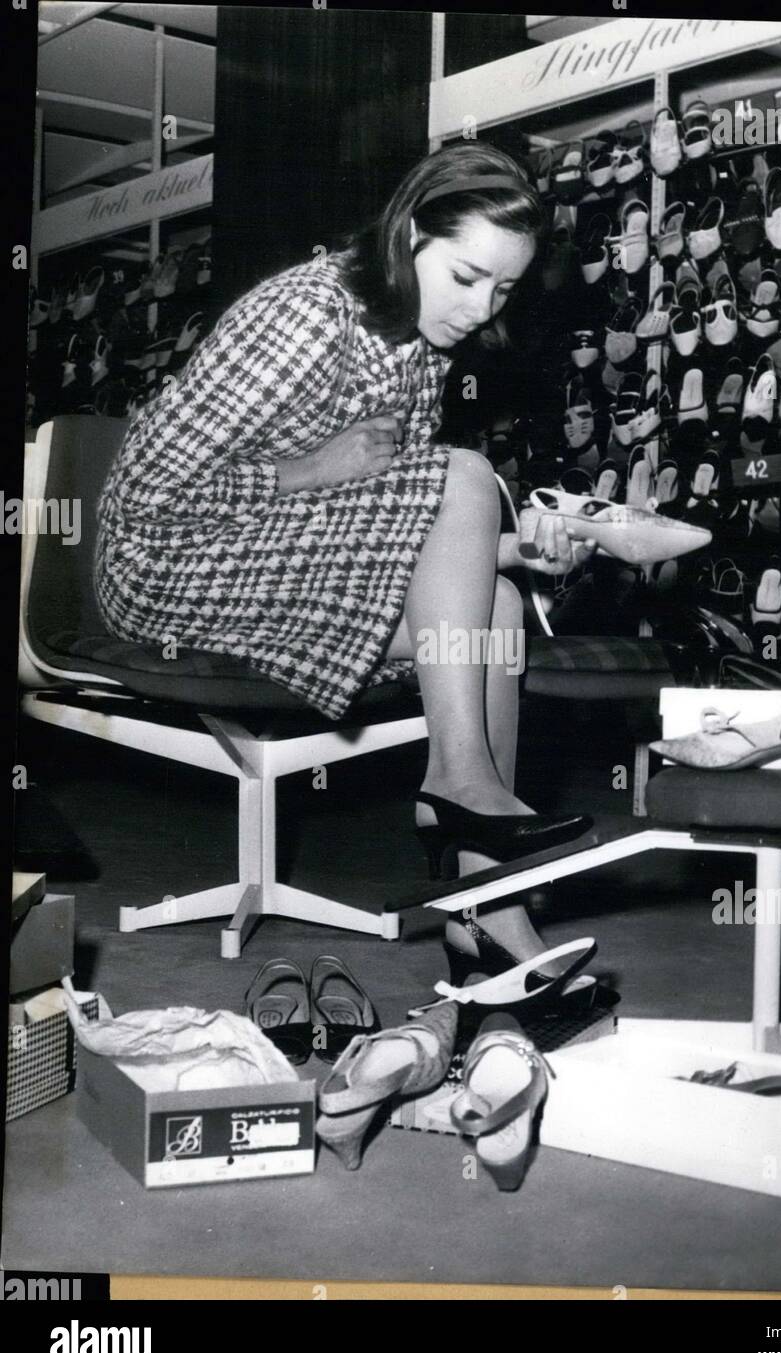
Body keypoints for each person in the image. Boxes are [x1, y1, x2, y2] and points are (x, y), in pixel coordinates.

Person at [94, 141, 597, 981]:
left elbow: (416, 530)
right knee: (468, 474)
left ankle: (487, 909)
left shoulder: (428, 345)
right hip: (164, 565)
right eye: (467, 276)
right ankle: (460, 785)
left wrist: (519, 549)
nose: (480, 308)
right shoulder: (302, 317)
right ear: (407, 238)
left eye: (503, 288)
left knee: (502, 610)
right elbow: (139, 499)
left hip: (273, 558)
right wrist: (310, 469)